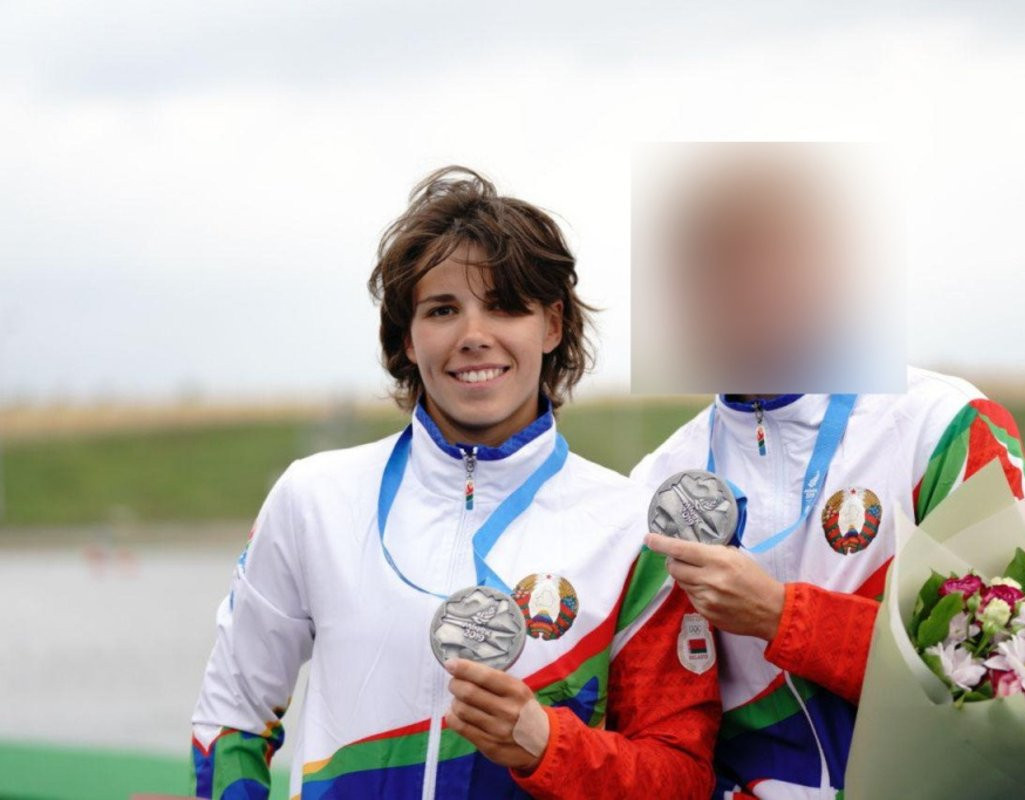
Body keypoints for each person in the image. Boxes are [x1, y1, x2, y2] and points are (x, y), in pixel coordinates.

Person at [190, 166, 721, 799]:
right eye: (443, 310)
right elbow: (232, 714)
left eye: (504, 306)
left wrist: (548, 745)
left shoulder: (633, 531)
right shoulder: (314, 498)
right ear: (408, 339)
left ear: (552, 326)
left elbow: (682, 776)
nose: (473, 336)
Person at [630, 150, 1025, 799]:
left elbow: (1013, 679)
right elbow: (666, 740)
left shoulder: (945, 427)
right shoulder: (655, 482)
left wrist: (782, 617)